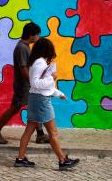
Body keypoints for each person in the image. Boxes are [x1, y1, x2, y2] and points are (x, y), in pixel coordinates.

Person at [14, 38, 80, 170]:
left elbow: (41, 85)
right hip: (41, 102)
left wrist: (58, 93)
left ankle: (20, 159)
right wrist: (52, 78)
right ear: (47, 50)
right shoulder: (40, 63)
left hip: (35, 99)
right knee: (53, 132)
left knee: (29, 130)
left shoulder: (36, 62)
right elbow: (36, 83)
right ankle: (63, 160)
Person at [0, 22, 50, 145]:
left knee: (35, 108)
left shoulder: (25, 47)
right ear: (31, 35)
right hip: (23, 85)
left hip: (27, 85)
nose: (37, 38)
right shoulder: (22, 48)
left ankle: (40, 135)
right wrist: (33, 82)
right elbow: (23, 68)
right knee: (15, 108)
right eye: (37, 35)